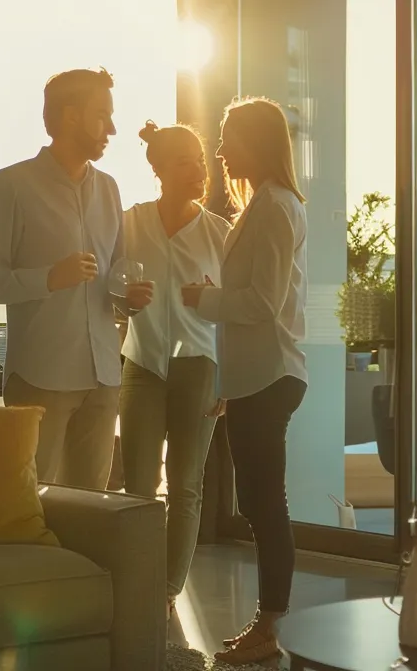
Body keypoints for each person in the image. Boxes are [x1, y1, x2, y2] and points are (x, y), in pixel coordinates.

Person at [0, 68, 153, 488]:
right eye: (102, 115)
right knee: (30, 506)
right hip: (40, 378)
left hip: (103, 376)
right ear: (70, 116)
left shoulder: (109, 188)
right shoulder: (11, 185)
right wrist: (49, 277)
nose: (114, 128)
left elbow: (114, 274)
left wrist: (129, 297)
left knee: (92, 514)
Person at [181, 98, 308, 665]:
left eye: (228, 135)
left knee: (264, 505)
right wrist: (230, 386)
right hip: (256, 376)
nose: (220, 147)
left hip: (273, 374)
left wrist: (203, 298)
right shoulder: (260, 205)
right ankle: (269, 623)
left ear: (257, 141)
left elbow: (263, 303)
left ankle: (271, 626)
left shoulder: (276, 208)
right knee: (259, 504)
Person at [118, 121, 231, 618]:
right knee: (138, 486)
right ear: (159, 169)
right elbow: (105, 288)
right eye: (184, 161)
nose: (198, 171)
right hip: (141, 362)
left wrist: (229, 377)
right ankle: (134, 579)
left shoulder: (219, 233)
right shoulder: (128, 223)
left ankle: (166, 590)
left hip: (199, 366)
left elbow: (234, 312)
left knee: (186, 484)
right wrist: (123, 300)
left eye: (201, 160)